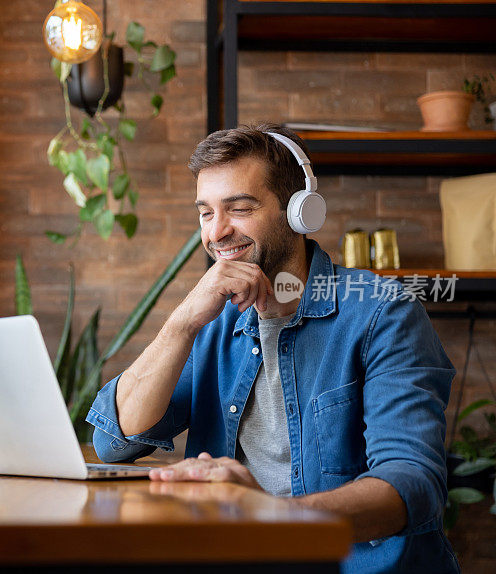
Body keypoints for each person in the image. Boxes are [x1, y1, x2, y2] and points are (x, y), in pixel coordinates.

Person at [86, 123, 460, 573]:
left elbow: (411, 483)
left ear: (300, 212)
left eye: (239, 208)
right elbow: (113, 441)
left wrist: (272, 517)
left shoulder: (384, 313)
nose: (217, 233)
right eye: (206, 213)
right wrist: (182, 321)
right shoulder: (212, 320)